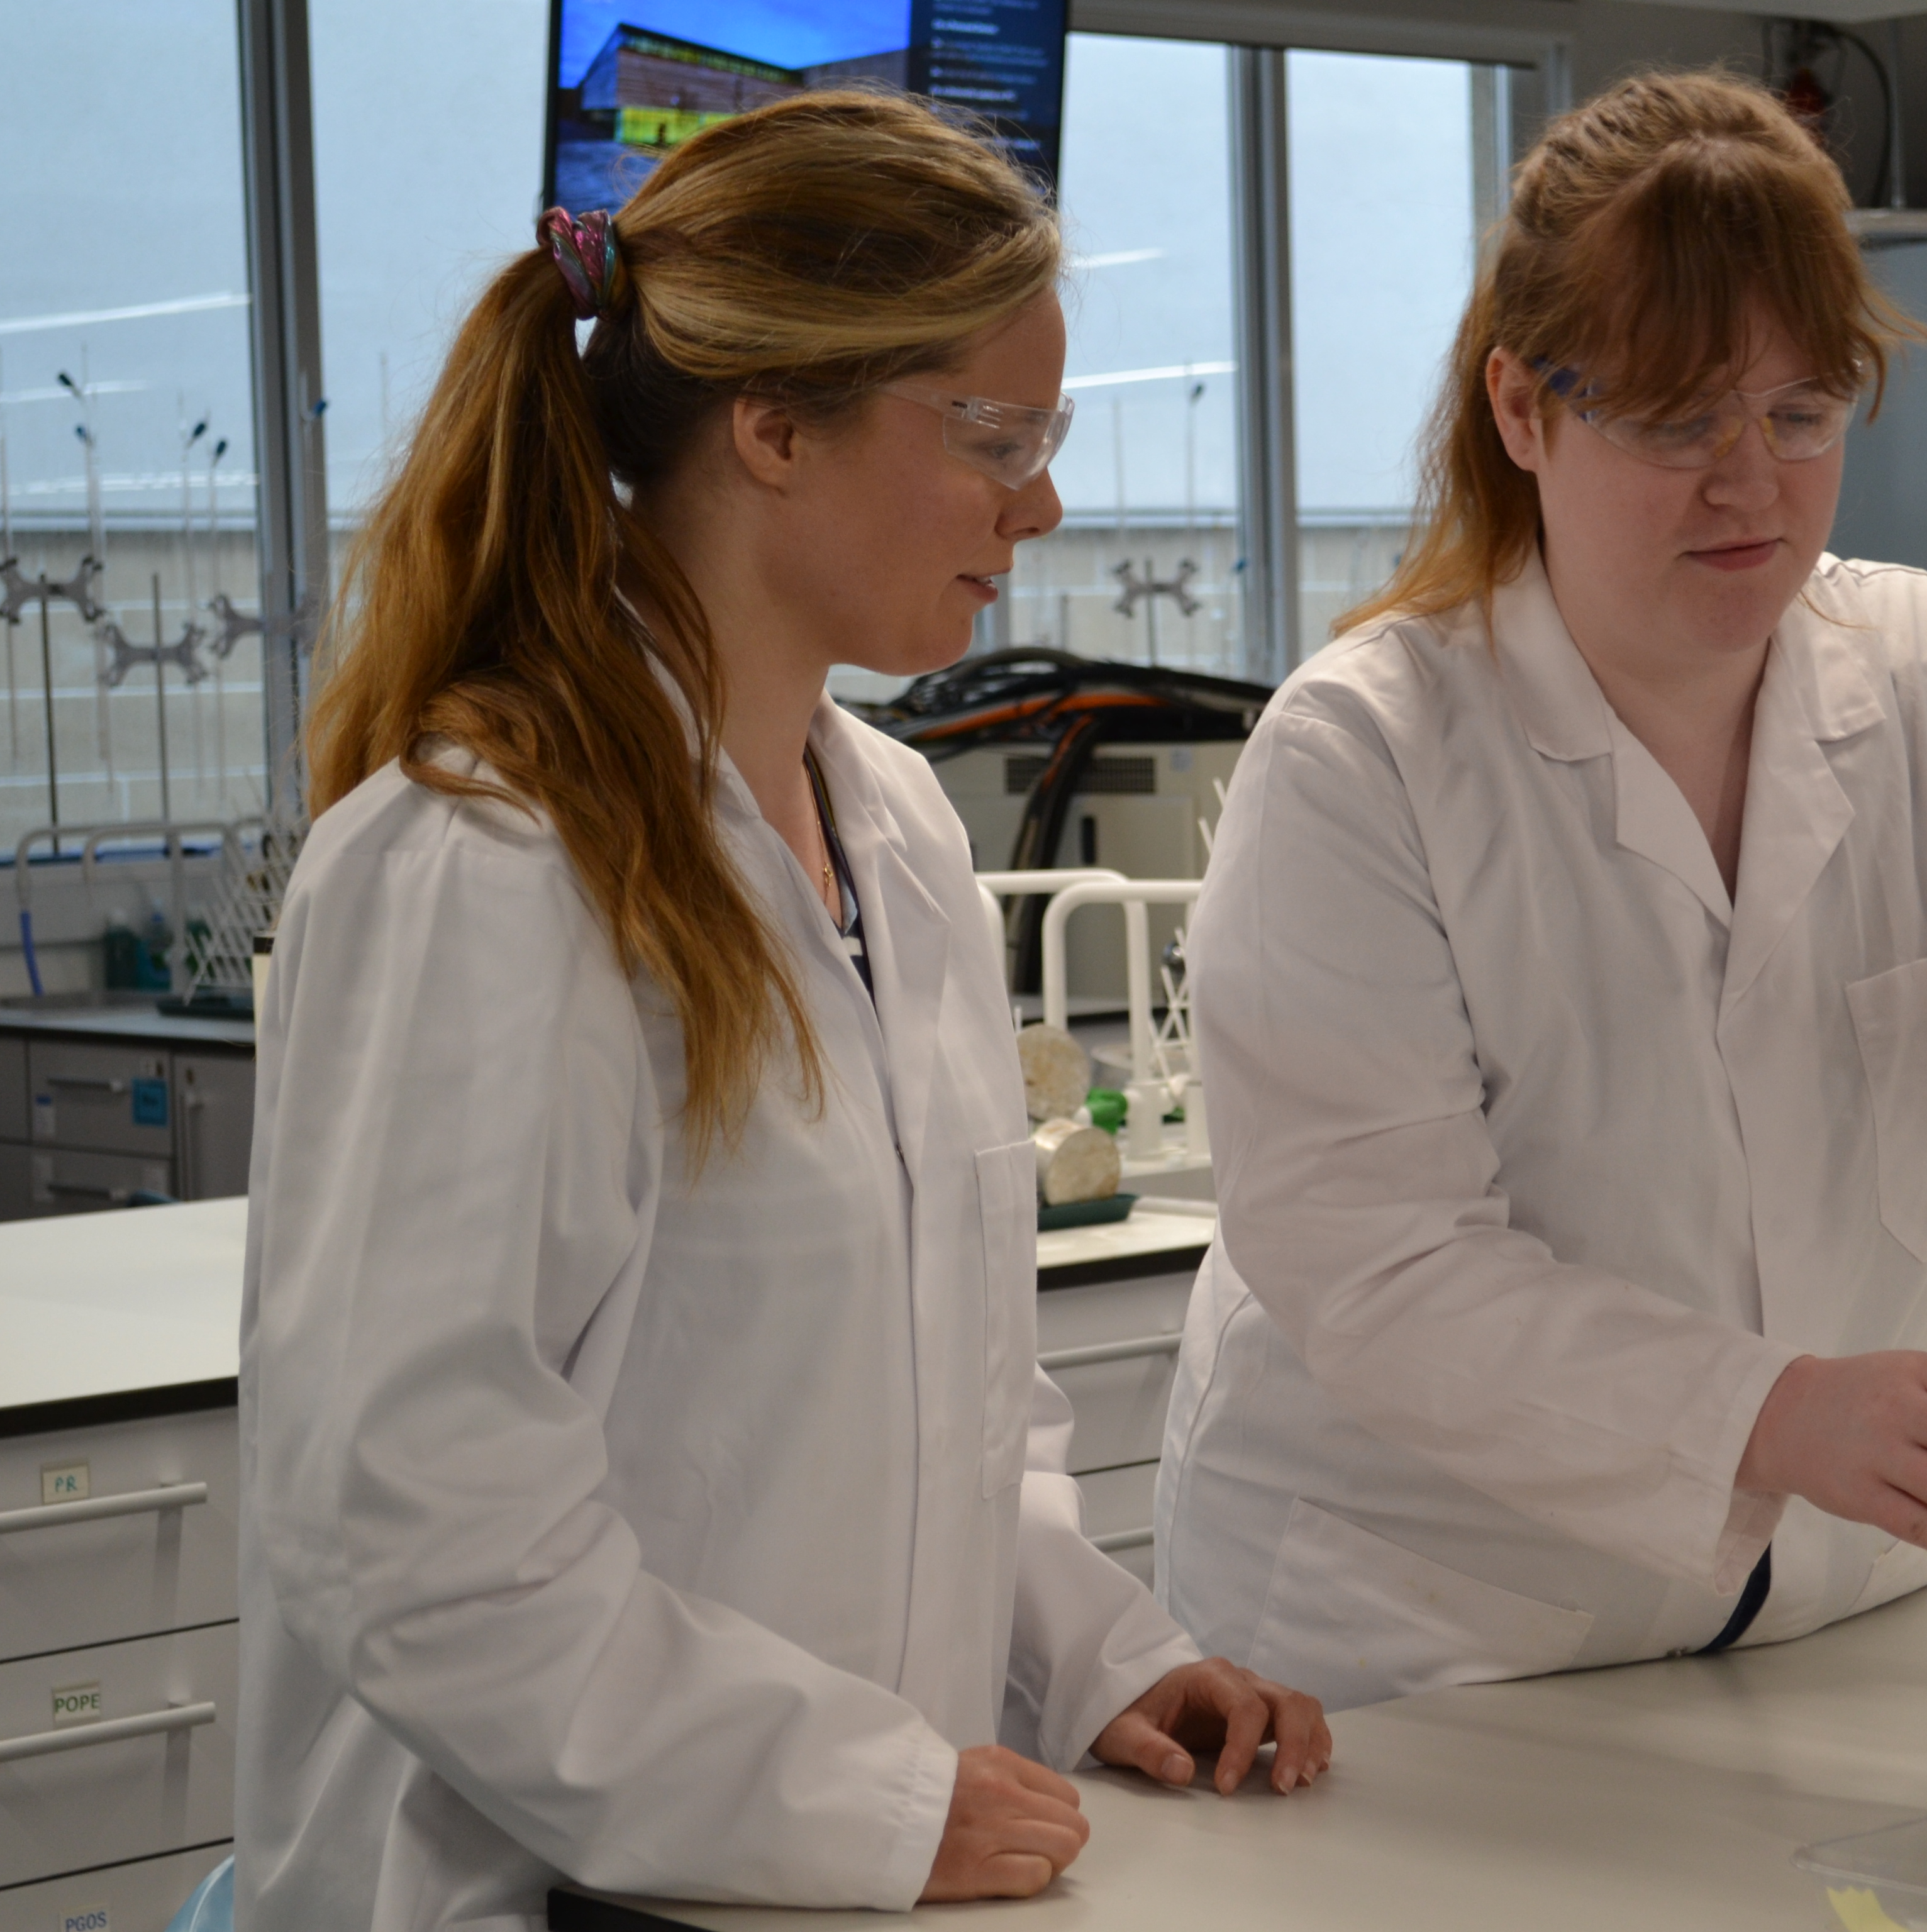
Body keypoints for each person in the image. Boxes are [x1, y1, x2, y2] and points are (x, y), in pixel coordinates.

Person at [238, 92, 1327, 1929]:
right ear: (771, 428)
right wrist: (863, 1800)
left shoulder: (892, 824)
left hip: (818, 1876)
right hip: (539, 1887)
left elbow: (956, 1415)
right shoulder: (489, 865)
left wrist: (1102, 1657)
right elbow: (416, 1537)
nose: (1040, 501)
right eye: (992, 434)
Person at [1151, 70, 1927, 1710]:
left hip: (1834, 1614)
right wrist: (1764, 1412)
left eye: (1799, 412)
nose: (1747, 480)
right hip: (1431, 1643)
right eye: (1675, 417)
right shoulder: (1366, 756)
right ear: (1521, 410)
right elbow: (1380, 1266)